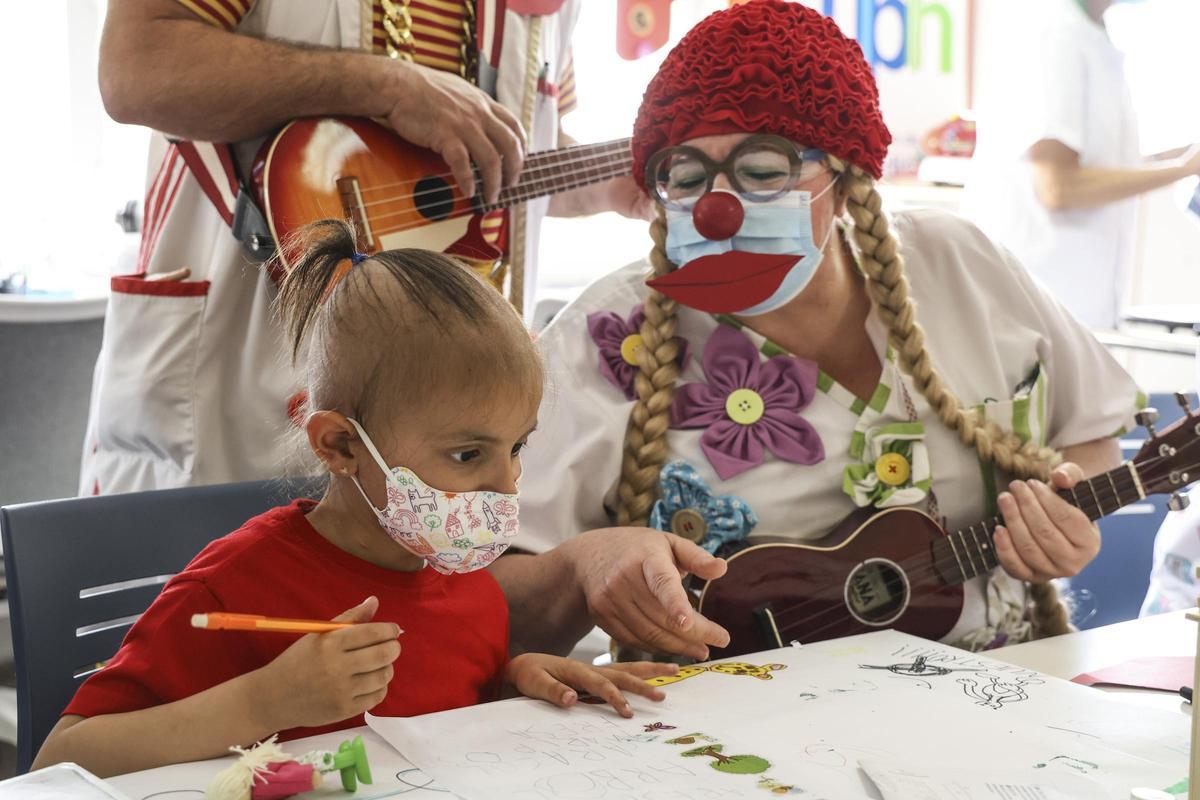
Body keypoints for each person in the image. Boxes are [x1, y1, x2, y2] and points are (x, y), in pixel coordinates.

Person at [517, 0, 1146, 652]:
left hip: (1001, 691)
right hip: (727, 727)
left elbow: (1091, 428)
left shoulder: (960, 264)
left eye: (763, 171)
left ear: (843, 184)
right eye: (686, 175)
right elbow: (487, 588)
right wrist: (578, 567)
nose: (717, 210)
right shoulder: (608, 337)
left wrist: (1065, 524)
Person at [33, 225, 676, 778]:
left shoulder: (467, 580)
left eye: (517, 448)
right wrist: (264, 703)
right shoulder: (232, 586)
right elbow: (61, 761)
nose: (507, 485)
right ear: (340, 445)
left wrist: (514, 683)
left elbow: (426, 717)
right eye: (467, 455)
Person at [82, 0, 649, 497]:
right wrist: (388, 85)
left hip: (438, 396)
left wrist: (613, 183)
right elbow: (137, 68)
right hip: (241, 352)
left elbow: (484, 168)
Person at [963, 0, 1200, 330]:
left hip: (1077, 308)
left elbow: (1104, 162)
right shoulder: (1052, 32)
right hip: (1036, 305)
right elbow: (1058, 187)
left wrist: (1180, 157)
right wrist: (1183, 169)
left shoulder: (1093, 35)